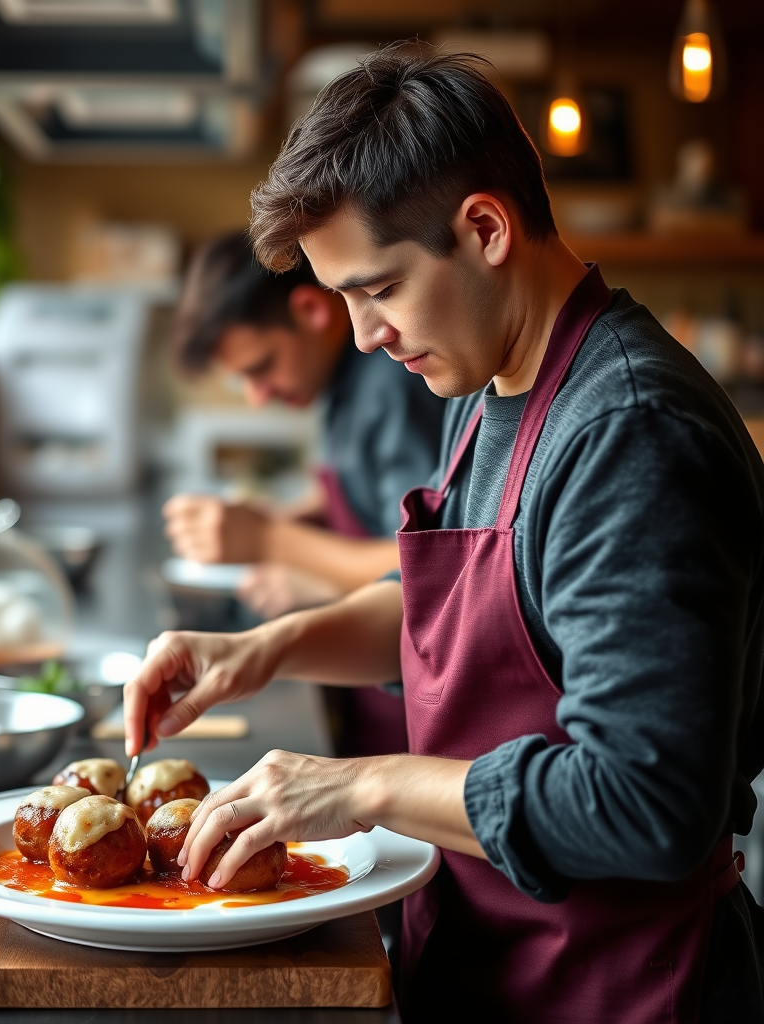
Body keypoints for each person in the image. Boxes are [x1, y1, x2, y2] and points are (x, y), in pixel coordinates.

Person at [126, 44, 764, 1023]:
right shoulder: (492, 382)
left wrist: (362, 785)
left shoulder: (629, 433)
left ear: (483, 229)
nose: (361, 334)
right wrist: (261, 650)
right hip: (492, 952)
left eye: (376, 288)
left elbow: (644, 803)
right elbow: (463, 614)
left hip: (618, 982)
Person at [163, 231, 446, 623]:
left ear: (311, 311)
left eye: (261, 368)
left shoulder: (391, 386)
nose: (256, 398)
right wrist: (278, 518)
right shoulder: (338, 376)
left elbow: (429, 562)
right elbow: (363, 489)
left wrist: (267, 540)